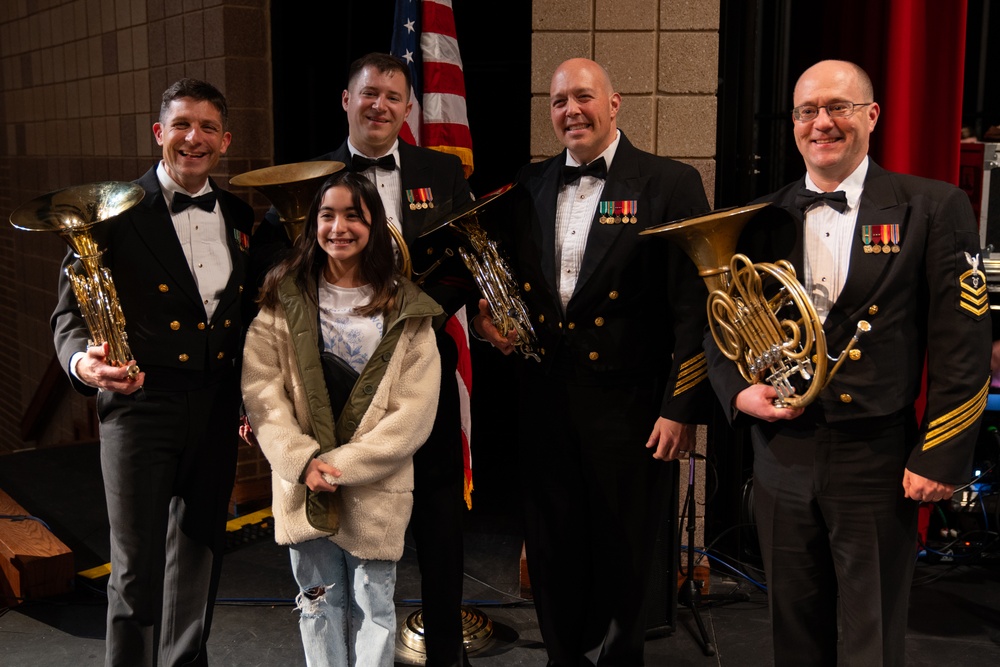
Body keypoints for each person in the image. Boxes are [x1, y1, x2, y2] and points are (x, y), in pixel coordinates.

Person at [705, 60, 992, 667]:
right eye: (807, 111)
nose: (822, 123)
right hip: (783, 452)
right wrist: (737, 392)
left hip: (877, 456)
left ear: (871, 116)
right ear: (793, 123)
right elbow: (719, 321)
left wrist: (940, 453)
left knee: (872, 635)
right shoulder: (760, 217)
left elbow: (963, 345)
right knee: (792, 630)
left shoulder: (930, 207)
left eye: (838, 107)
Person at [474, 58, 713, 666]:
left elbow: (695, 307)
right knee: (553, 547)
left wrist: (680, 406)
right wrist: (488, 319)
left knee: (625, 549)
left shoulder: (669, 182)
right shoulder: (526, 184)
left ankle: (618, 659)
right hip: (546, 399)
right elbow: (509, 286)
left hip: (631, 406)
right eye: (558, 102)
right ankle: (563, 658)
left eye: (584, 97)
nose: (571, 111)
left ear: (615, 104)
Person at [250, 52, 475, 666]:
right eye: (368, 93)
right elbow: (270, 258)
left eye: (393, 96)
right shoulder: (313, 176)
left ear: (408, 108)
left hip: (411, 361)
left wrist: (412, 307)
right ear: (345, 100)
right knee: (325, 561)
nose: (379, 105)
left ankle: (445, 653)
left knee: (436, 522)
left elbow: (466, 259)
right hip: (321, 375)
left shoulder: (441, 170)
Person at [50, 79, 255, 666]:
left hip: (214, 405)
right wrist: (82, 363)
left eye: (208, 127)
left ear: (225, 141)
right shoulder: (111, 211)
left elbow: (249, 317)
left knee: (199, 558)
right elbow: (67, 316)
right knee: (137, 569)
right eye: (183, 125)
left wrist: (250, 400)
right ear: (159, 133)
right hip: (141, 406)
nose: (195, 138)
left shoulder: (240, 214)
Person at [241, 170, 442, 666]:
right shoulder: (281, 298)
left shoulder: (407, 307)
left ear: (374, 225)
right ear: (313, 224)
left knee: (376, 606)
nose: (339, 226)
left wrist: (339, 467)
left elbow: (414, 413)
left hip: (377, 487)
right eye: (328, 214)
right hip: (301, 485)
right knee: (317, 606)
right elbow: (261, 389)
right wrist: (302, 461)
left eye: (354, 215)